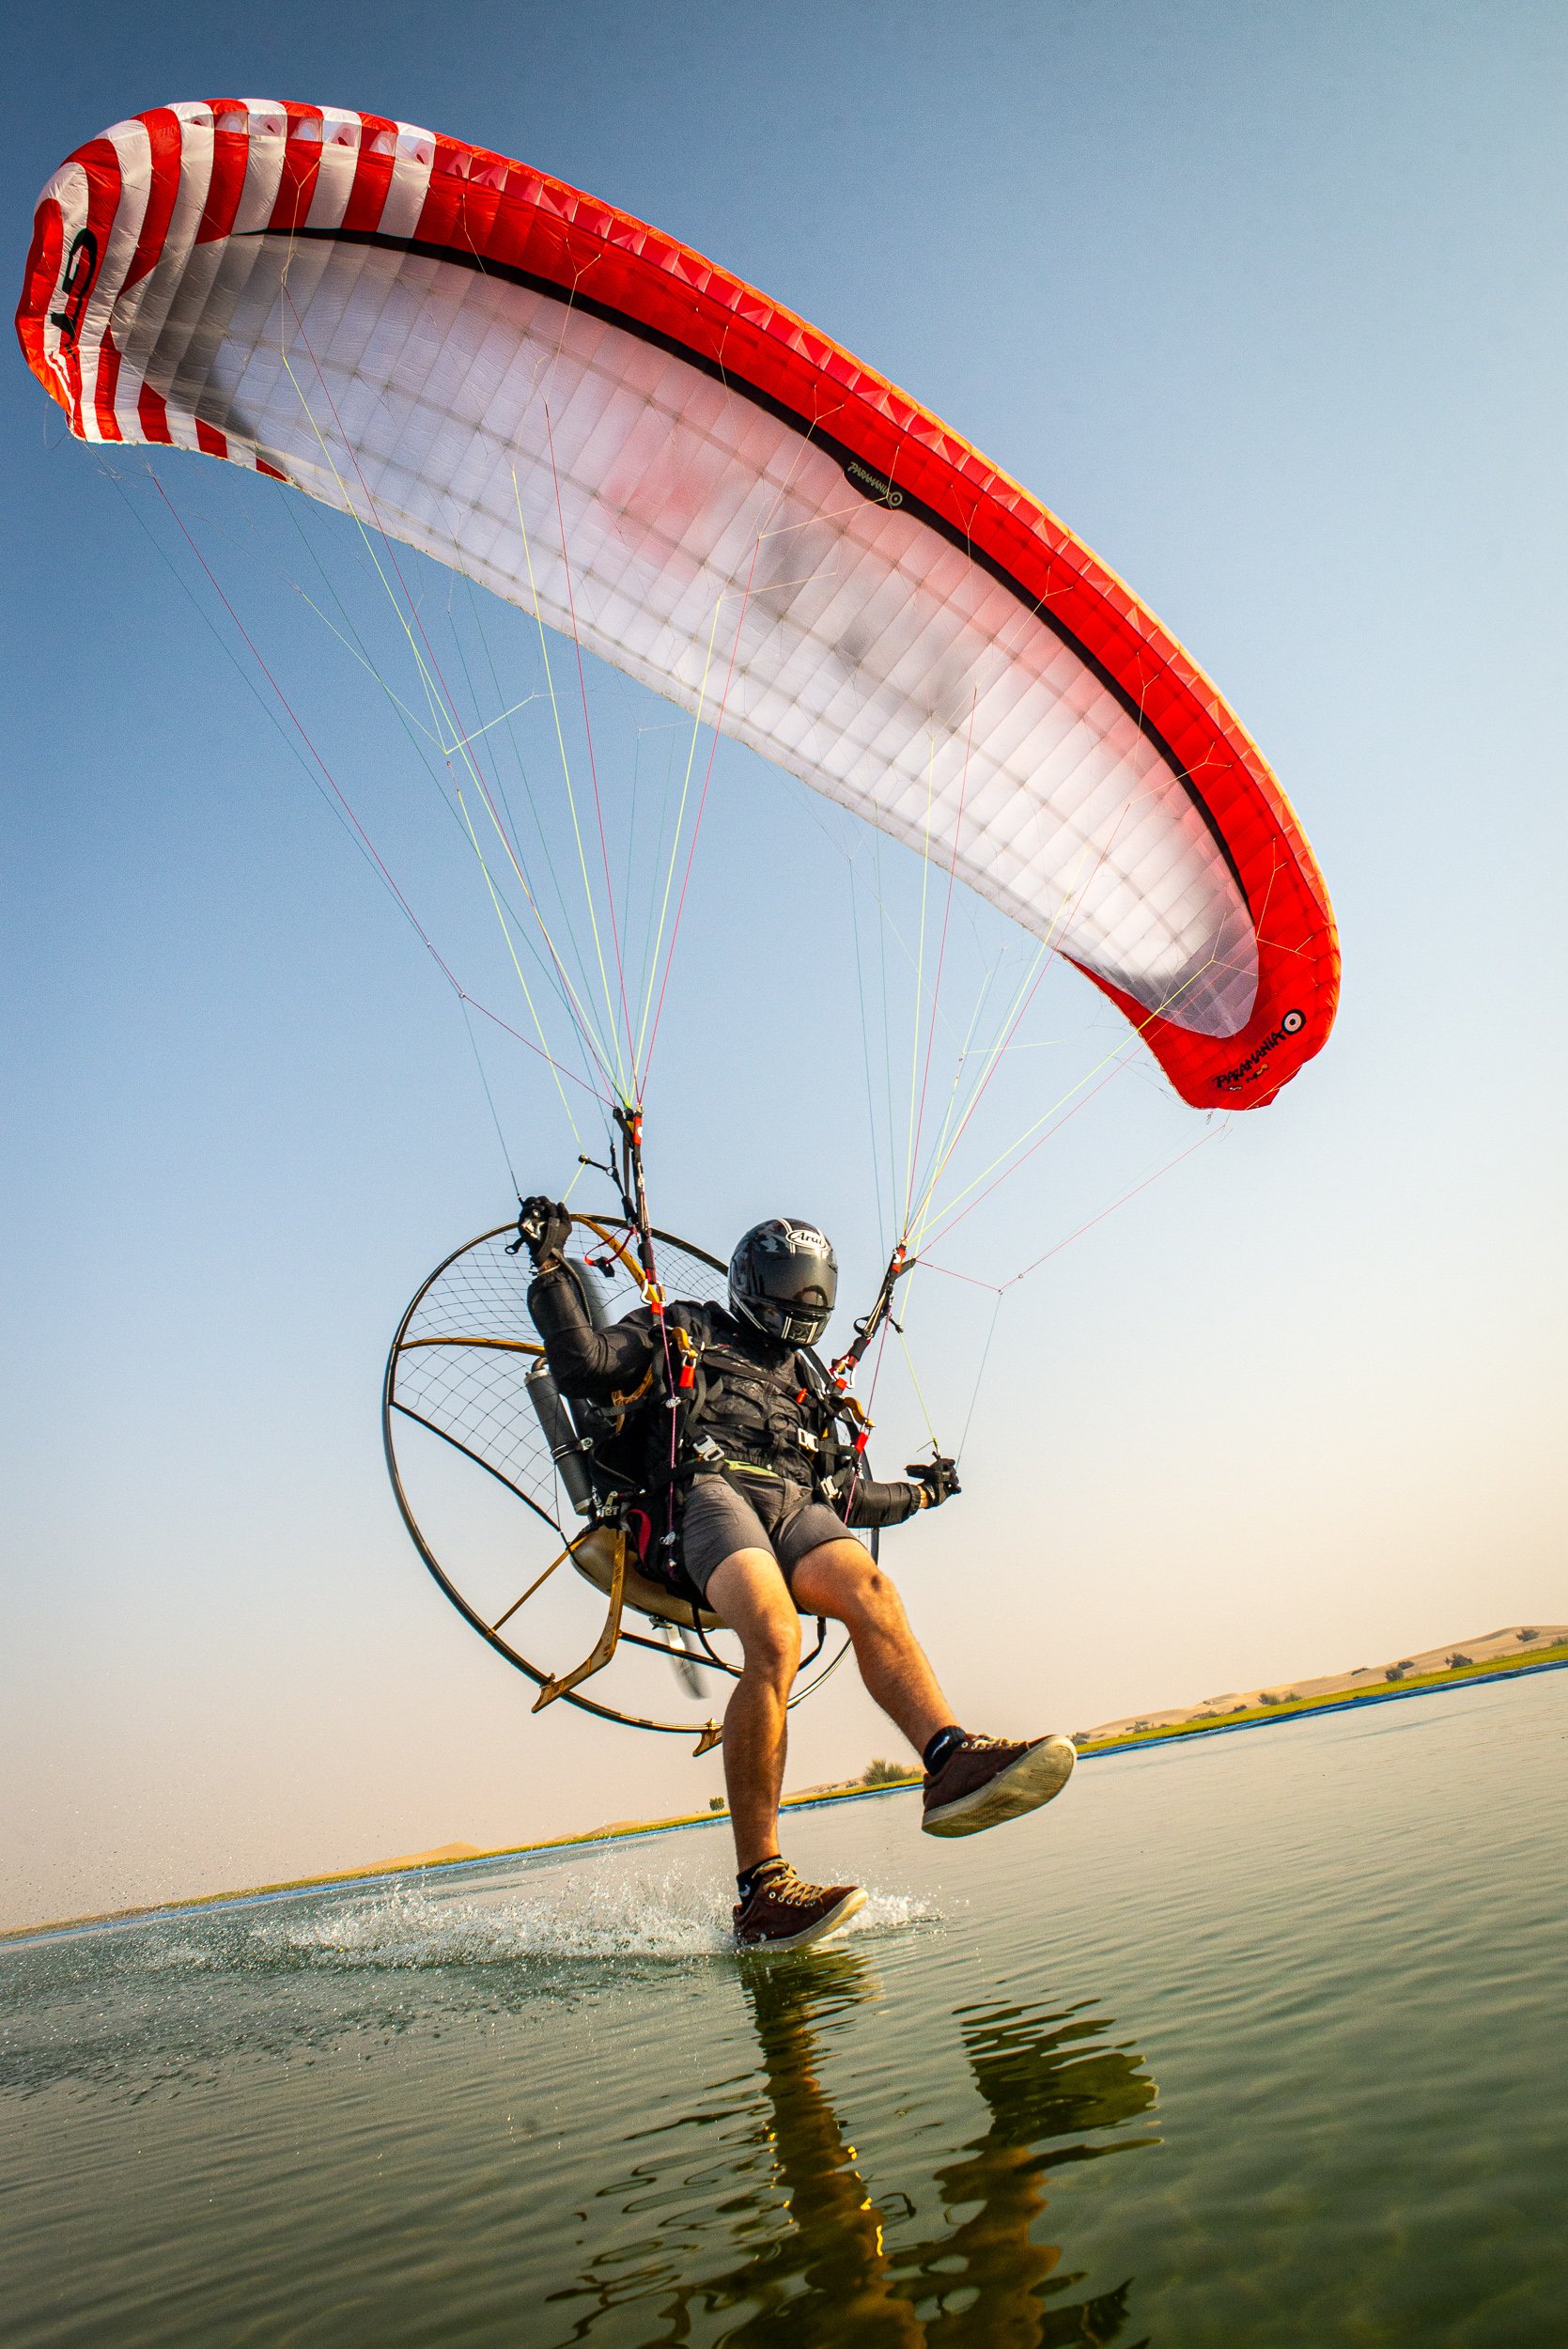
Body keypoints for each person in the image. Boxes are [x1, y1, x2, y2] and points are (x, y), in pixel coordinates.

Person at [519, 1200, 1077, 1951]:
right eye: (787, 1284)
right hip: (701, 1497)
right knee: (775, 1638)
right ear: (754, 1281)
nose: (798, 1302)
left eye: (810, 1288)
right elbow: (583, 1366)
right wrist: (550, 1267)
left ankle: (948, 1762)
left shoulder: (804, 1379)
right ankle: (762, 1889)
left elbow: (842, 1493)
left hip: (791, 1503)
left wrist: (922, 1493)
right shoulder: (681, 1325)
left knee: (872, 1592)